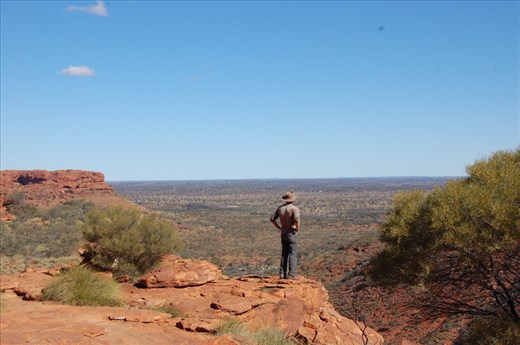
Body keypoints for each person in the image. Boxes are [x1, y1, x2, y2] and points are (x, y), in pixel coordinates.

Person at [270, 191, 300, 279]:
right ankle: (292, 274)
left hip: (283, 233)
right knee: (292, 253)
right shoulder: (294, 209)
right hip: (291, 233)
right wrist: (297, 229)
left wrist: (279, 228)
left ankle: (282, 274)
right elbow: (297, 221)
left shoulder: (280, 209)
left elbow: (272, 219)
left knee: (284, 253)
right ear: (293, 199)